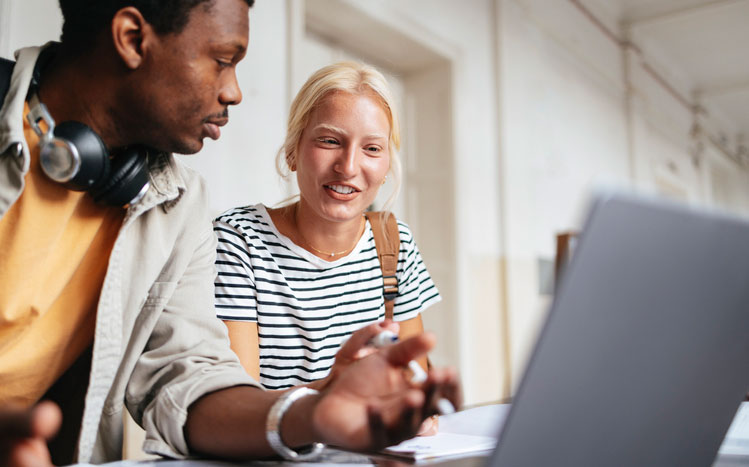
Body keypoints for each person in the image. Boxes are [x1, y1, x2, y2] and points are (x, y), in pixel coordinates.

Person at [0, 1, 460, 466]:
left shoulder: (176, 205)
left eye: (373, 150)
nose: (236, 92)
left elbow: (188, 381)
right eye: (223, 60)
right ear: (133, 39)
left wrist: (314, 412)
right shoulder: (235, 234)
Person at [213, 62, 440, 394]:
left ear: (387, 165)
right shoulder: (239, 242)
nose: (348, 167)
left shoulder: (394, 244)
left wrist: (418, 407)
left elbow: (412, 381)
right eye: (330, 141)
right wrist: (335, 397)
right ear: (292, 151)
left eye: (372, 148)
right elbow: (237, 402)